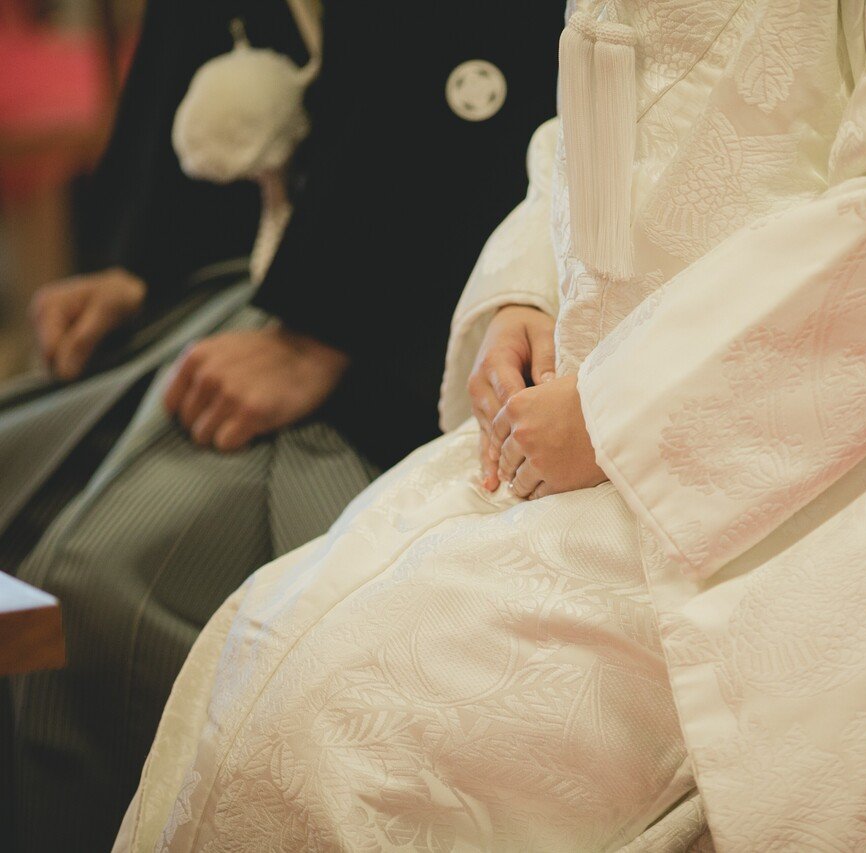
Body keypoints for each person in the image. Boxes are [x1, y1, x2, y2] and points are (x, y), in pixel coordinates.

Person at [116, 0, 866, 849]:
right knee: (258, 648)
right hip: (611, 403)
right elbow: (623, 98)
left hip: (845, 454)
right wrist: (529, 290)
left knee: (350, 727)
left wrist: (625, 411)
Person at [1, 1, 561, 849]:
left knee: (95, 584)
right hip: (272, 267)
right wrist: (145, 261)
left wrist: (329, 323)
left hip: (412, 305)